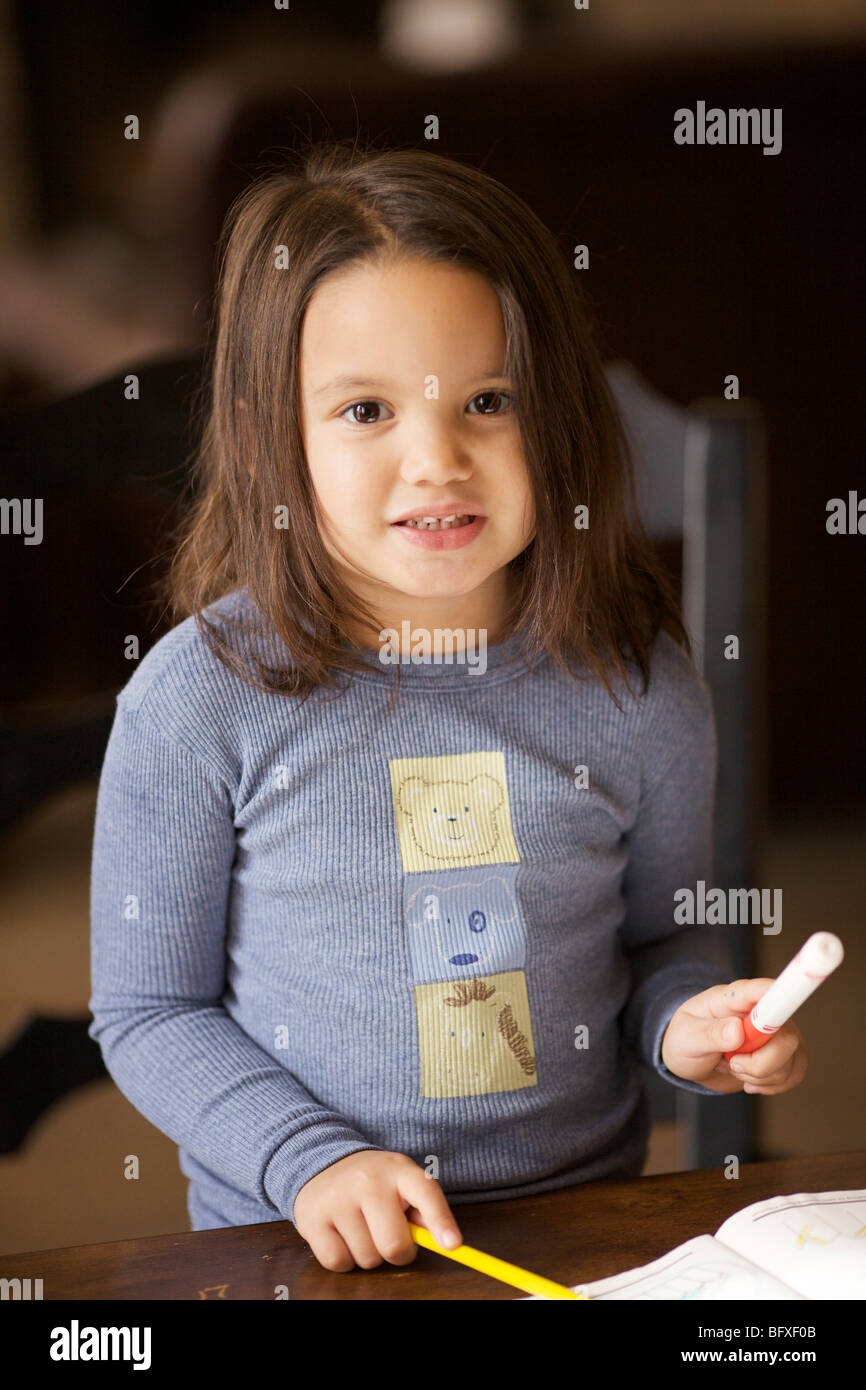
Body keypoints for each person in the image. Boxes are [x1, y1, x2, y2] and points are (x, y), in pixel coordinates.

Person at [89, 139, 806, 1276]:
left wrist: (687, 1024)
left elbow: (665, 934)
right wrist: (307, 1156)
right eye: (365, 409)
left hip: (578, 1230)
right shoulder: (196, 699)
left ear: (561, 415)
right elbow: (147, 1011)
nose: (434, 459)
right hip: (293, 1239)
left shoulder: (636, 680)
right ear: (275, 437)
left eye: (486, 400)